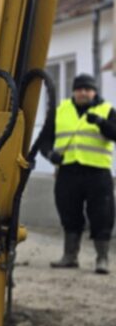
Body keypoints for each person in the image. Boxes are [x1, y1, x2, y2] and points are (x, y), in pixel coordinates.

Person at [36, 72, 116, 274]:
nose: (83, 93)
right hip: (67, 172)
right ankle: (70, 256)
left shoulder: (106, 110)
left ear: (94, 92)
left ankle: (102, 259)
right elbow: (43, 139)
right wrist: (50, 154)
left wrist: (101, 123)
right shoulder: (60, 111)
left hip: (97, 172)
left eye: (88, 89)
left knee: (102, 215)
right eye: (80, 89)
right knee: (69, 212)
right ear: (74, 92)